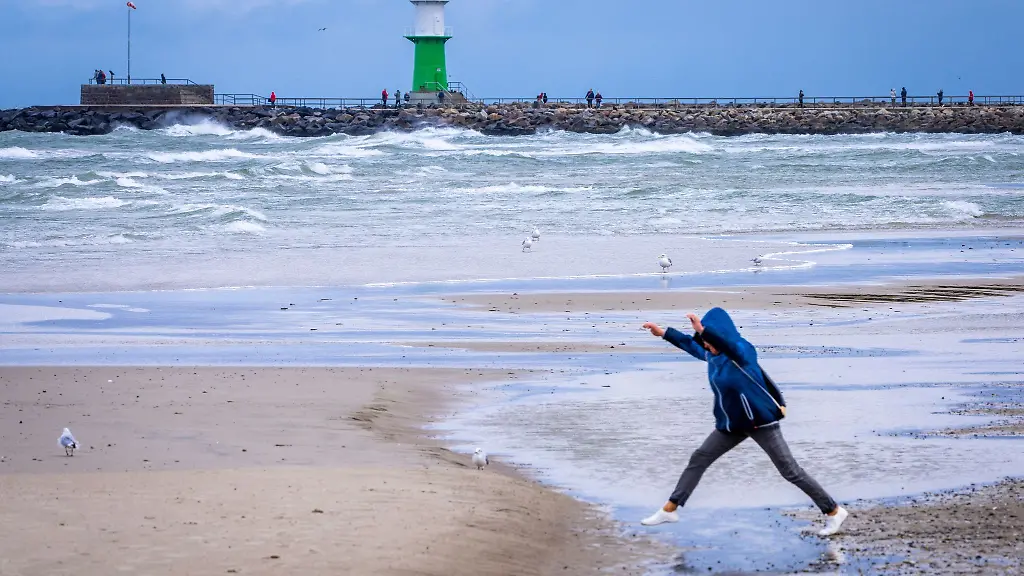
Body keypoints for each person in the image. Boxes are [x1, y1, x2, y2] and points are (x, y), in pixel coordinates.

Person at [638, 308, 849, 537]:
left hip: (759, 421)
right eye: (704, 342)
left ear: (719, 335)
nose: (706, 346)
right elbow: (691, 345)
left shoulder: (742, 351)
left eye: (708, 341)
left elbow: (729, 346)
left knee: (790, 471)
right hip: (732, 425)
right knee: (700, 458)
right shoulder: (712, 355)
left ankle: (833, 511)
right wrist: (663, 333)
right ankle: (670, 509)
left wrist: (704, 331)